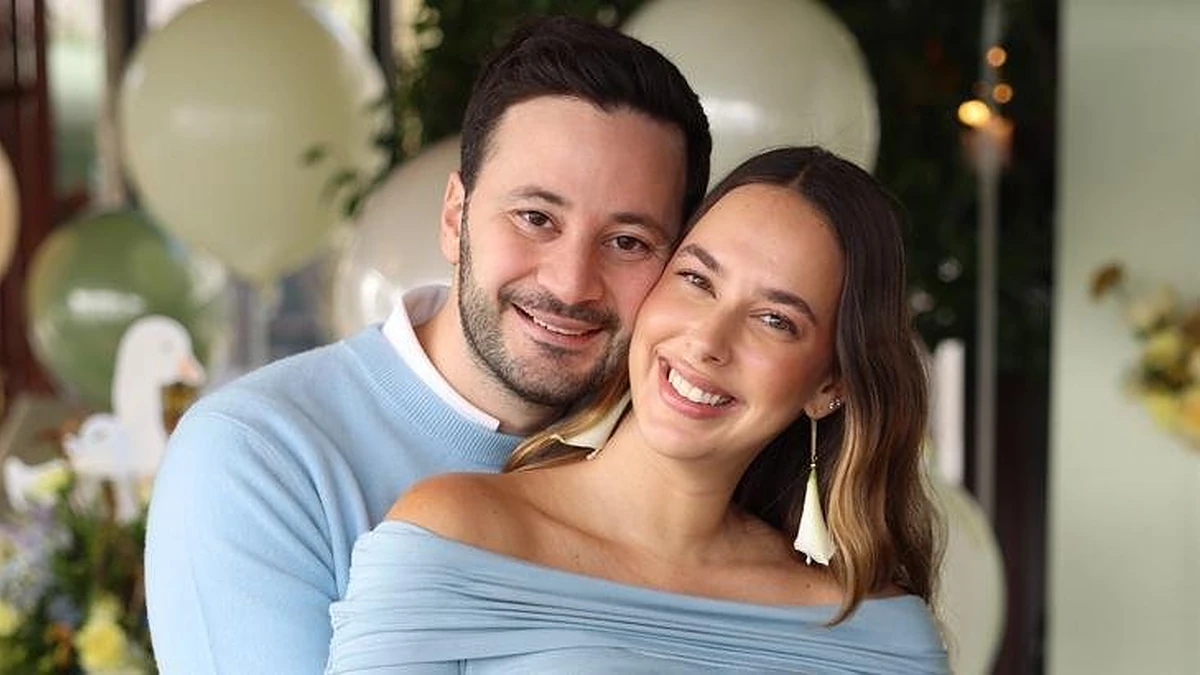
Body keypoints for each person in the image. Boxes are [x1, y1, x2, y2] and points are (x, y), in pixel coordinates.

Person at [145, 16, 711, 674]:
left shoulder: (689, 457)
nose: (570, 283)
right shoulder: (259, 454)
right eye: (535, 217)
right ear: (454, 215)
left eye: (628, 242)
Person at [326, 147, 949, 674]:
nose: (708, 340)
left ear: (830, 384)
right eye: (697, 280)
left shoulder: (881, 638)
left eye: (774, 320)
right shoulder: (453, 536)